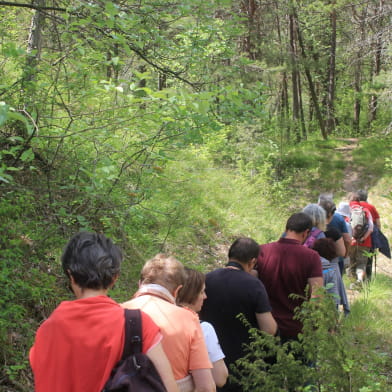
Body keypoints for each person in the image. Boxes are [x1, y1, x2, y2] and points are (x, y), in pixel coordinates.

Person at [29, 232, 178, 392]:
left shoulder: (46, 331)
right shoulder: (138, 325)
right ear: (115, 278)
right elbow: (170, 388)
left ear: (70, 276)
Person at [122, 254, 215, 392]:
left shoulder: (117, 312)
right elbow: (206, 387)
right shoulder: (188, 319)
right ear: (177, 291)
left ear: (140, 284)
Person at [200, 237, 277, 392]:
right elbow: (269, 329)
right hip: (244, 363)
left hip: (210, 359)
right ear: (252, 261)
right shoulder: (253, 285)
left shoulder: (206, 279)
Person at [256, 213, 323, 342]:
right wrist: (314, 326)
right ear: (306, 233)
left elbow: (252, 286)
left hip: (265, 327)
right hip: (297, 329)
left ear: (286, 229)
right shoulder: (311, 257)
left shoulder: (262, 251)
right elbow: (317, 295)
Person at [177, 268, 228, 388]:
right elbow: (220, 377)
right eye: (201, 292)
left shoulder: (157, 321)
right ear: (190, 294)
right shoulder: (203, 328)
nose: (205, 297)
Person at [349, 192, 374, 285]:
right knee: (361, 263)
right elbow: (371, 228)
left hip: (351, 242)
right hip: (365, 243)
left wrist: (352, 238)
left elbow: (346, 226)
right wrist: (363, 238)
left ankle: (352, 284)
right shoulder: (366, 210)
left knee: (351, 263)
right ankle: (359, 281)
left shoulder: (349, 210)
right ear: (359, 201)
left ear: (350, 201)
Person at [357, 189, 381, 279]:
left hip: (355, 237)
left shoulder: (354, 206)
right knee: (368, 259)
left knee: (355, 259)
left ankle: (356, 280)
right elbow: (378, 223)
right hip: (369, 238)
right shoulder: (371, 207)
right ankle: (368, 279)